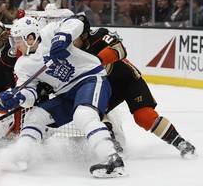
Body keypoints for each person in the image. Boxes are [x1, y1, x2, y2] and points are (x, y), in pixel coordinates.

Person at [0, 16, 127, 178]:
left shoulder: (49, 34)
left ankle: (112, 160)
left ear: (30, 38)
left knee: (83, 115)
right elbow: (30, 93)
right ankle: (21, 155)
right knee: (34, 116)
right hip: (66, 93)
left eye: (17, 40)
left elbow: (76, 22)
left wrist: (61, 38)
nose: (15, 45)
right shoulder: (22, 64)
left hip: (90, 79)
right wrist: (17, 97)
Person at [74, 14, 197, 159]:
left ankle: (181, 143)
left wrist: (97, 61)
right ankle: (113, 144)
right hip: (105, 88)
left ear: (84, 35)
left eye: (74, 36)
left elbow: (120, 49)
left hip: (128, 80)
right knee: (93, 111)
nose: (71, 40)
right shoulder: (70, 50)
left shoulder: (100, 35)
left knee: (144, 117)